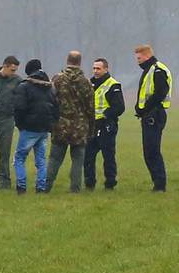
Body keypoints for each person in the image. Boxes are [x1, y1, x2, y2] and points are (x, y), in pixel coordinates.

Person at [47, 51, 96, 193]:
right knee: (77, 160)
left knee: (55, 159)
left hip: (60, 125)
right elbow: (90, 108)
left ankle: (45, 187)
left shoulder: (57, 79)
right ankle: (75, 189)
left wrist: (51, 122)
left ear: (67, 61)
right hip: (80, 127)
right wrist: (91, 129)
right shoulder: (86, 82)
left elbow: (51, 102)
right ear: (79, 62)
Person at [13, 58, 59, 193]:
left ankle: (21, 187)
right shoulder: (50, 87)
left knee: (19, 158)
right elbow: (56, 108)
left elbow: (19, 108)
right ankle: (41, 187)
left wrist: (20, 124)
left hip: (28, 128)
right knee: (41, 161)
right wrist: (51, 124)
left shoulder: (24, 86)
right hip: (44, 128)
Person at [134, 44, 173, 192]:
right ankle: (157, 183)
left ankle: (159, 185)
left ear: (147, 56)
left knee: (152, 151)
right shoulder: (149, 70)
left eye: (139, 58)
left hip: (155, 114)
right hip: (149, 114)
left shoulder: (157, 70)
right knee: (148, 151)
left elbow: (160, 93)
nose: (138, 61)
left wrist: (144, 108)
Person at [84, 57, 124, 190]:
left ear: (106, 69)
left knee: (108, 156)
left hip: (106, 125)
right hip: (91, 125)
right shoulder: (89, 84)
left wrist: (107, 114)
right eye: (94, 68)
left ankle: (110, 183)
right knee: (88, 156)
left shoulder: (113, 85)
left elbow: (119, 107)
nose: (95, 71)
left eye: (98, 68)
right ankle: (89, 183)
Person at [0, 56, 23, 189]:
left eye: (15, 70)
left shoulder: (18, 81)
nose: (14, 73)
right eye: (12, 70)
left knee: (5, 153)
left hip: (7, 120)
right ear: (5, 66)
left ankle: (4, 181)